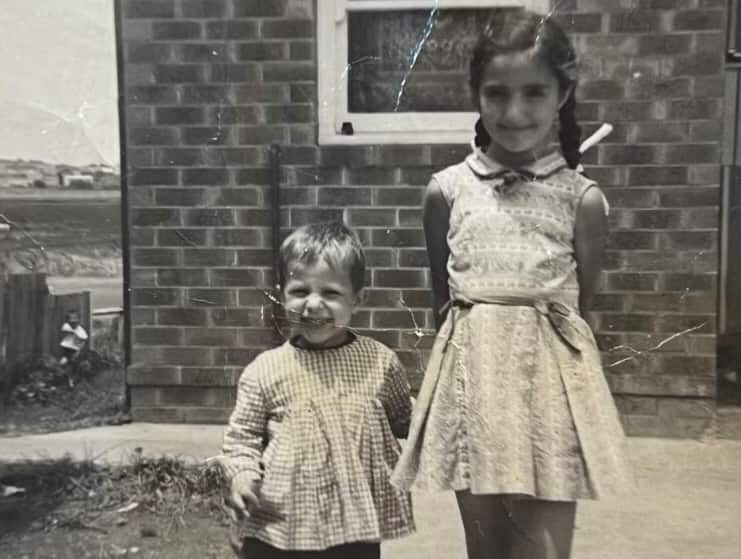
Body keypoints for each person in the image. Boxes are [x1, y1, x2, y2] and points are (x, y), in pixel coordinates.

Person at [391, 9, 632, 559]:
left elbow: (579, 308)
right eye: (496, 93)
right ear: (475, 94)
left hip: (547, 388)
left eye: (534, 93)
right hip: (473, 386)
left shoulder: (582, 198)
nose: (515, 112)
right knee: (487, 549)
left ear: (563, 93)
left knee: (541, 552)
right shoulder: (445, 192)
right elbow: (443, 300)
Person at [218, 221, 415, 559]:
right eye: (299, 291)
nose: (312, 305)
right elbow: (241, 440)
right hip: (279, 523)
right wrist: (242, 476)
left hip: (355, 525)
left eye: (330, 293)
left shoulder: (380, 362)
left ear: (357, 299)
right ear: (282, 294)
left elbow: (405, 420)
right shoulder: (265, 369)